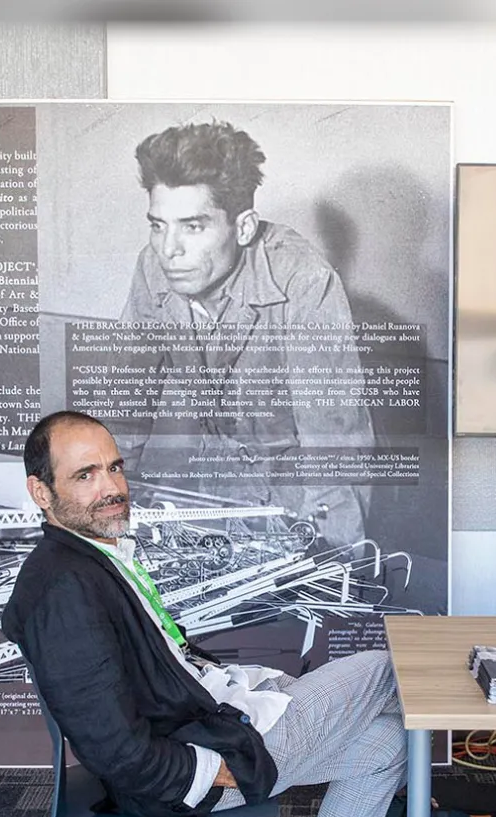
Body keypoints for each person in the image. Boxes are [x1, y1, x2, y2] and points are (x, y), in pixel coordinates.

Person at [1, 410, 406, 817]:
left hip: (215, 719)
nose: (112, 487)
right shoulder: (64, 590)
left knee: (390, 745)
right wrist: (216, 768)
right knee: (388, 669)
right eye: (85, 475)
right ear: (40, 492)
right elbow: (112, 748)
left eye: (114, 468)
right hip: (202, 764)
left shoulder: (89, 557)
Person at [116, 120, 374, 547]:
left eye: (193, 226)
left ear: (244, 227)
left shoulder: (304, 280)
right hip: (210, 493)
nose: (169, 250)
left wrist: (333, 565)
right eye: (158, 225)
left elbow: (335, 452)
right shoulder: (153, 266)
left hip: (299, 502)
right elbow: (125, 405)